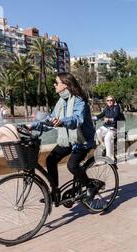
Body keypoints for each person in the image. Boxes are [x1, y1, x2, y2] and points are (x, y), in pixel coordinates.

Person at [27, 72, 96, 202]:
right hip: (68, 140)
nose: (54, 85)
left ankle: (90, 186)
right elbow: (50, 121)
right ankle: (55, 192)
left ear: (65, 85)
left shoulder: (79, 100)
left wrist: (62, 121)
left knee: (72, 165)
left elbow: (77, 119)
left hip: (82, 141)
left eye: (57, 82)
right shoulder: (60, 101)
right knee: (51, 160)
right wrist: (32, 126)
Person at [93, 96, 124, 161]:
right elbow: (101, 115)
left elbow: (116, 116)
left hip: (114, 128)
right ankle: (103, 145)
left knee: (107, 138)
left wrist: (109, 119)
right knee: (98, 132)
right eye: (108, 100)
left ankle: (109, 158)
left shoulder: (116, 107)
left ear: (113, 101)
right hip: (106, 127)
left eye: (111, 100)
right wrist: (93, 118)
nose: (109, 101)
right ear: (106, 102)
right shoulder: (106, 108)